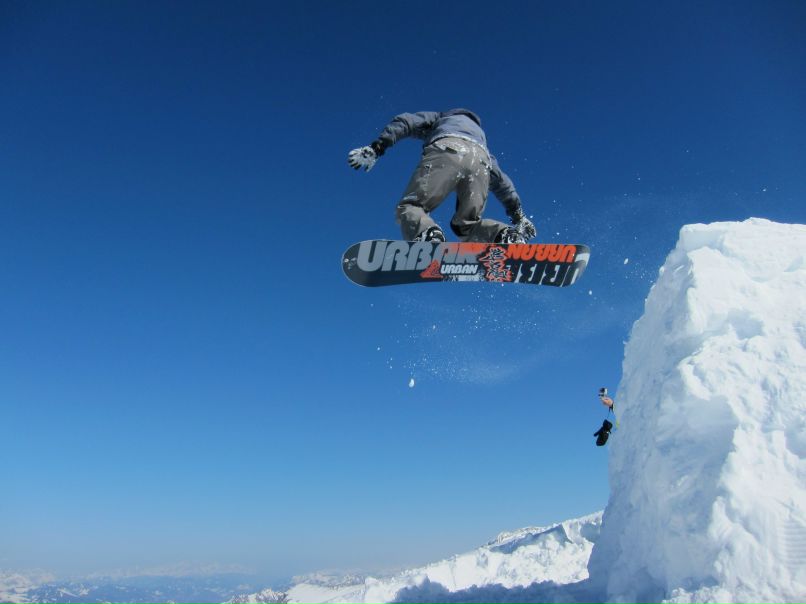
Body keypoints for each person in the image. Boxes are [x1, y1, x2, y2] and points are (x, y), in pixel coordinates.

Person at [347, 109, 536, 244]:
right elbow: (502, 183)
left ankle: (428, 236)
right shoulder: (482, 145)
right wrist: (518, 215)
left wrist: (378, 147)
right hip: (482, 163)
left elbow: (405, 121)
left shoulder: (441, 118)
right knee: (467, 225)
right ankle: (505, 237)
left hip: (447, 150)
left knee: (412, 206)